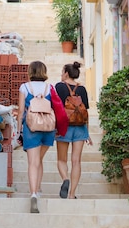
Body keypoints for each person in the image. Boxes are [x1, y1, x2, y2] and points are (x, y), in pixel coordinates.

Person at [17, 60, 55, 213]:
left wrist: (19, 130)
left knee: (33, 162)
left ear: (30, 72)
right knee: (39, 160)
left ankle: (33, 193)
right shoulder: (50, 88)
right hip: (48, 127)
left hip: (31, 127)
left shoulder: (25, 87)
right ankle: (38, 189)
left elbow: (20, 111)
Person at [55, 61, 92, 199]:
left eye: (62, 71)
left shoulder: (59, 87)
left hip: (64, 127)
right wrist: (87, 133)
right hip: (80, 128)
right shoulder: (82, 89)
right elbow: (86, 112)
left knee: (61, 160)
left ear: (66, 73)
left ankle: (65, 179)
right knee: (76, 161)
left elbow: (55, 107)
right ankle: (72, 194)